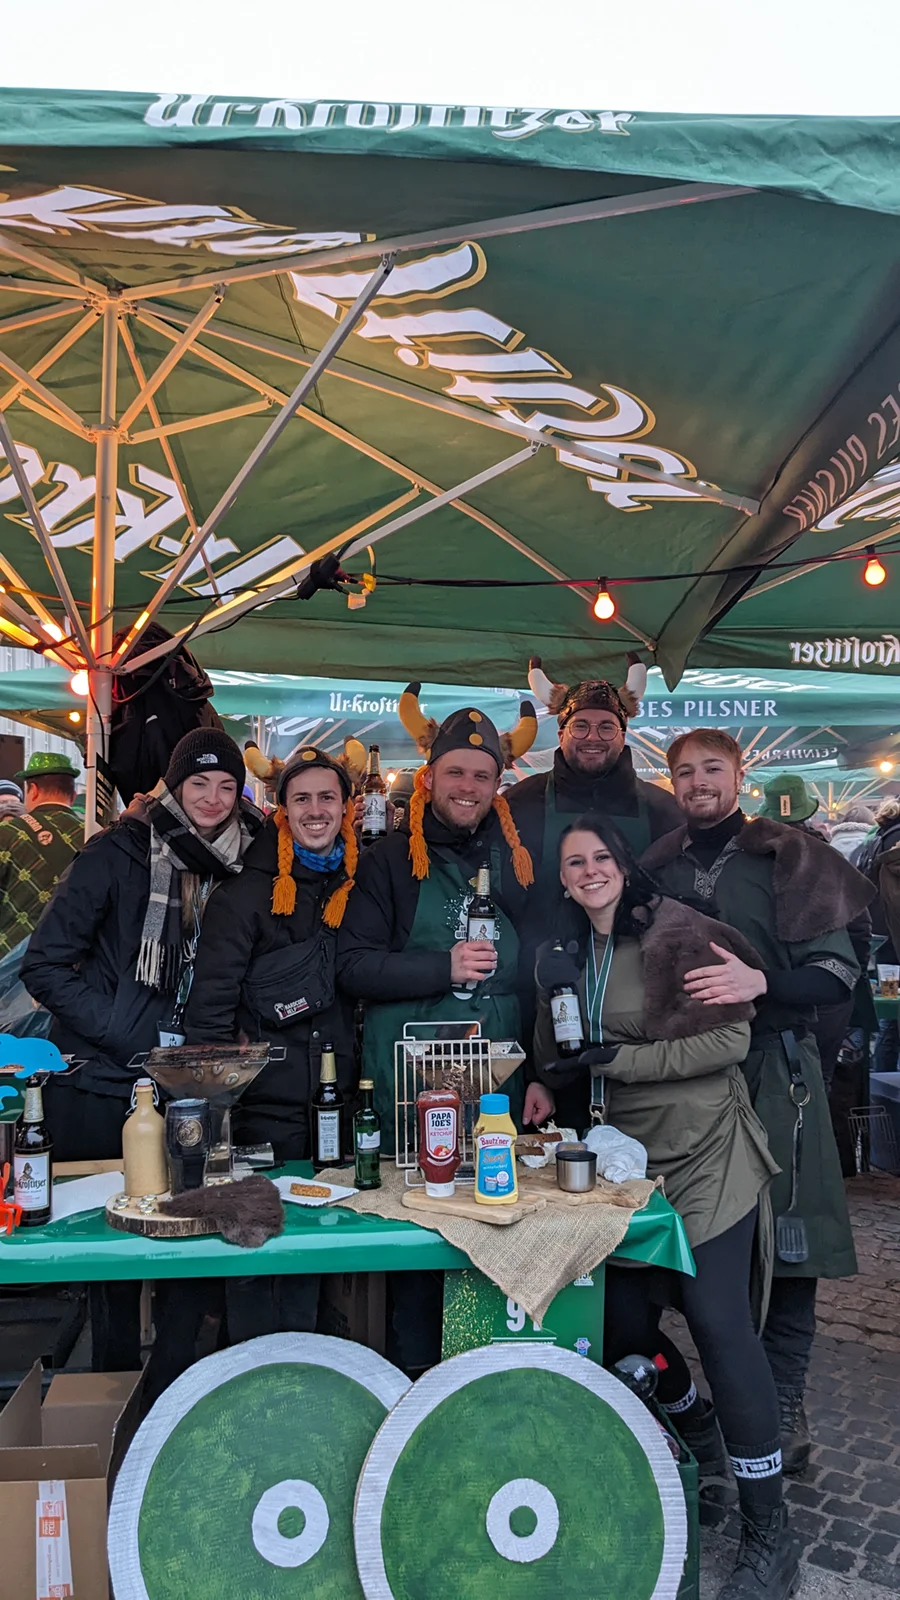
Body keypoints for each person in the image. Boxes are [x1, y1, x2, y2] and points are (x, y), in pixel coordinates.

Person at [533, 817, 792, 1600]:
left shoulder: (678, 930)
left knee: (716, 1320)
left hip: (708, 1150)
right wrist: (558, 1070)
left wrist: (621, 1059)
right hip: (626, 1159)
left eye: (600, 857)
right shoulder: (571, 951)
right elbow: (568, 1049)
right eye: (574, 863)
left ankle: (769, 1533)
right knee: (620, 1324)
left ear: (623, 862)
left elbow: (728, 1042)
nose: (588, 871)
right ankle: (699, 1428)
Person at [642, 731, 871, 1478]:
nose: (699, 782)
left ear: (741, 774)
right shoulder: (657, 866)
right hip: (686, 1088)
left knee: (790, 1251)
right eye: (686, 772)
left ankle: (785, 1405)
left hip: (778, 1078)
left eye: (713, 769)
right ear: (670, 781)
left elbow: (836, 976)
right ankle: (720, 1408)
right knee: (706, 1256)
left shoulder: (791, 856)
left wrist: (760, 984)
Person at [22, 728, 261, 1386]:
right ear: (174, 788)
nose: (212, 799)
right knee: (117, 1265)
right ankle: (112, 1398)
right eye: (198, 784)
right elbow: (45, 966)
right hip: (108, 1085)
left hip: (195, 1088)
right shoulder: (117, 853)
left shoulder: (247, 861)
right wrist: (130, 1034)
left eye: (226, 787)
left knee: (191, 1251)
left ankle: (174, 1394)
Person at [337, 687, 551, 1371]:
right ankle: (412, 1380)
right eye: (456, 772)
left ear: (498, 784)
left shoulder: (519, 863)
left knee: (494, 1226)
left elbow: (537, 975)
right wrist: (443, 964)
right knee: (421, 1245)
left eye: (482, 776)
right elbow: (354, 969)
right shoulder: (388, 862)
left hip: (496, 1084)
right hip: (412, 1084)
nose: (468, 786)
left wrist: (541, 1070)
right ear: (430, 778)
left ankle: (484, 1377)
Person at [183, 745, 359, 1340]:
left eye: (327, 797)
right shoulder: (243, 898)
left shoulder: (360, 886)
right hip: (264, 1114)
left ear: (347, 807)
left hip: (338, 1108)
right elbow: (208, 1017)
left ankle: (307, 1371)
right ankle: (250, 1375)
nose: (316, 810)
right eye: (301, 798)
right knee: (256, 1257)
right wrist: (216, 1119)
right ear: (281, 810)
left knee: (315, 1258)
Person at [755, 775, 874, 1092]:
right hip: (829, 993)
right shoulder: (828, 857)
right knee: (820, 1082)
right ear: (807, 812)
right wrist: (847, 974)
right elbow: (860, 928)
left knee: (772, 1088)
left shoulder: (751, 862)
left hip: (770, 996)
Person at [0, 754, 82, 958]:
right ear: (73, 795)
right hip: (73, 963)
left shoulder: (6, 833)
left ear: (33, 790)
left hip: (13, 962)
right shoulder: (94, 836)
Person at [855, 797, 900, 1073]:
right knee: (891, 1020)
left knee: (890, 1017)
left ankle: (880, 1085)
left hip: (883, 945)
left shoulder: (876, 838)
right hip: (893, 941)